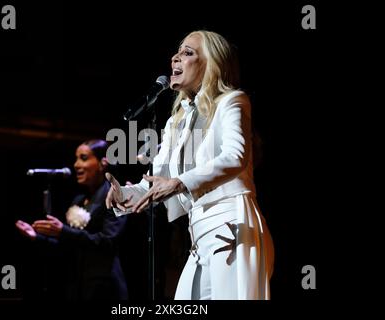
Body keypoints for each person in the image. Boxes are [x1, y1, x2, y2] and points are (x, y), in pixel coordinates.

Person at [105, 30, 274, 300]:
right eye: (178, 51)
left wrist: (180, 183)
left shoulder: (232, 101)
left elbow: (235, 156)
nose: (175, 57)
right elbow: (158, 181)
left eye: (188, 52)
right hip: (198, 237)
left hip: (232, 225)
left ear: (211, 64)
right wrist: (125, 196)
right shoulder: (177, 122)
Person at [16, 139, 128, 300]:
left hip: (104, 287)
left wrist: (64, 231)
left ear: (102, 163)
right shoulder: (79, 200)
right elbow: (69, 244)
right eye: (76, 159)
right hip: (78, 285)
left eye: (83, 158)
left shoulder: (115, 196)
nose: (76, 165)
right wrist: (39, 237)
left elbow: (107, 241)